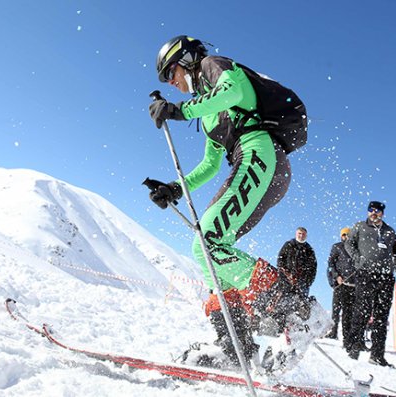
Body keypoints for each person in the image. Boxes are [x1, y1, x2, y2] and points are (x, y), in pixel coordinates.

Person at [146, 35, 312, 371]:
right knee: (211, 259)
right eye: (167, 81)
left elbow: (235, 93)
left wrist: (179, 111)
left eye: (171, 73)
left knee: (207, 242)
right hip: (247, 162)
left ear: (186, 60)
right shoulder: (206, 114)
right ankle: (236, 344)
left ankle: (300, 316)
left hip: (260, 154)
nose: (172, 83)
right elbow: (208, 166)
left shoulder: (213, 67)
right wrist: (175, 189)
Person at [344, 201, 396, 367]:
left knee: (381, 316)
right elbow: (348, 243)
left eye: (377, 211)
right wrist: (358, 259)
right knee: (362, 311)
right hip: (365, 274)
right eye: (371, 210)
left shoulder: (390, 232)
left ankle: (377, 355)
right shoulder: (359, 226)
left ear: (382, 213)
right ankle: (353, 348)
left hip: (386, 277)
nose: (374, 213)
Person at [326, 227, 356, 343]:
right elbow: (330, 264)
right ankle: (333, 332)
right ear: (341, 236)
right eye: (344, 235)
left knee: (348, 312)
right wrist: (336, 277)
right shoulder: (337, 246)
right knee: (336, 309)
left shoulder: (356, 249)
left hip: (352, 285)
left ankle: (346, 336)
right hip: (340, 284)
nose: (346, 237)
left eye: (348, 235)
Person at [276, 227, 317, 296]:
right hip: (286, 279)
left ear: (306, 236)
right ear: (296, 234)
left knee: (300, 302)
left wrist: (308, 282)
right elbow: (280, 258)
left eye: (303, 234)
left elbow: (313, 267)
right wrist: (284, 273)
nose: (301, 236)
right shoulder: (288, 245)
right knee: (284, 300)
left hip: (302, 283)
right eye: (299, 233)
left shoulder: (309, 250)